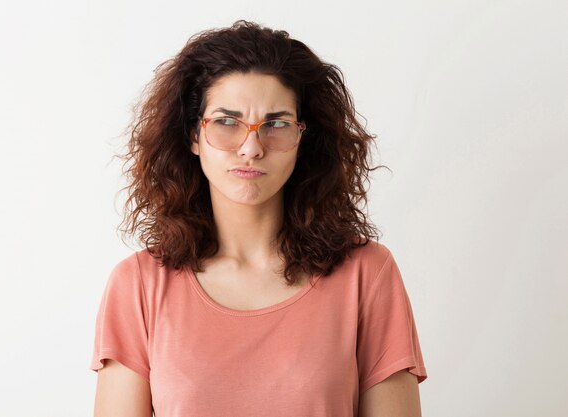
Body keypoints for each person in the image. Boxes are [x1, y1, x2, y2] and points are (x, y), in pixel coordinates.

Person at [90, 20, 428, 417]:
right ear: (193, 136)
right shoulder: (139, 286)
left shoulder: (367, 274)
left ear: (303, 137)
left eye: (276, 124)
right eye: (226, 122)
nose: (251, 147)